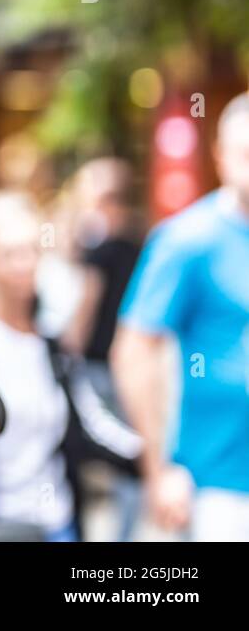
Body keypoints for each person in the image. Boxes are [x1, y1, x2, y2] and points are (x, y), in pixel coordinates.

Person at [0, 190, 138, 541]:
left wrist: (155, 458)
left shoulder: (49, 341)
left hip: (59, 524)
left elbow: (89, 422)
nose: (26, 264)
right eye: (11, 253)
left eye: (33, 250)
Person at [114, 92, 249, 541]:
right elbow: (134, 352)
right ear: (221, 155)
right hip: (217, 484)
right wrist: (159, 468)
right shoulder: (188, 240)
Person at [61, 158, 143, 539]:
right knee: (127, 448)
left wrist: (67, 349)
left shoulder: (103, 249)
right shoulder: (139, 241)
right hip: (130, 361)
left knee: (101, 442)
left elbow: (86, 305)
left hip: (99, 362)